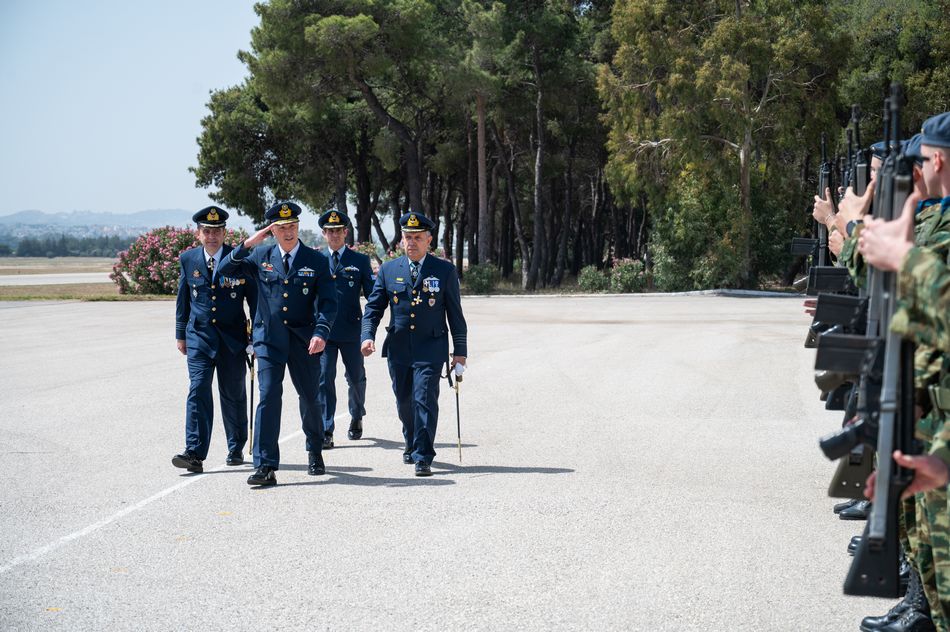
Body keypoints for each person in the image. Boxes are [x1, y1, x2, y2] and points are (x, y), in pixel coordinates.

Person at [217, 201, 338, 486]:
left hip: (304, 340)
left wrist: (321, 332)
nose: (288, 232)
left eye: (293, 226)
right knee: (269, 396)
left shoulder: (316, 260)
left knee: (310, 397)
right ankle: (265, 465)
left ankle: (314, 449)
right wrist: (247, 244)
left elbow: (330, 303)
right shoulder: (260, 255)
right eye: (281, 227)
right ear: (272, 231)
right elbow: (224, 270)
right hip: (269, 340)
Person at [360, 212, 467, 476]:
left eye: (417, 238)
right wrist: (367, 335)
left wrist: (460, 352)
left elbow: (455, 314)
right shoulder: (388, 269)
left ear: (429, 240)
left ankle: (423, 455)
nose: (412, 242)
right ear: (401, 241)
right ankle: (411, 440)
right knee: (404, 401)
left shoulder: (444, 270)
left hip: (431, 348)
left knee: (424, 400)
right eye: (408, 237)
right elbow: (373, 308)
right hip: (399, 348)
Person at [173, 206, 255, 473]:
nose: (211, 236)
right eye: (206, 231)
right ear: (198, 234)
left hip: (232, 339)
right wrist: (180, 334)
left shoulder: (239, 259)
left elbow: (254, 302)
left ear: (224, 232)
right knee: (197, 390)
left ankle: (236, 446)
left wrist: (254, 337)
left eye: (216, 231)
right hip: (199, 337)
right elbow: (183, 299)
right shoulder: (188, 259)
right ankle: (194, 452)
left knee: (233, 394)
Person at [317, 210, 375, 448]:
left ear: (345, 232)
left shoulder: (359, 261)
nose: (334, 235)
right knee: (323, 379)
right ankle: (326, 427)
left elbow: (373, 297)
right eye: (329, 231)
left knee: (356, 379)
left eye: (338, 231)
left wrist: (369, 332)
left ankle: (356, 415)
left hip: (352, 331)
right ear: (324, 234)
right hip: (324, 333)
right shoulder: (316, 259)